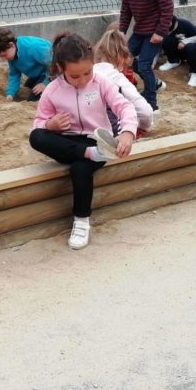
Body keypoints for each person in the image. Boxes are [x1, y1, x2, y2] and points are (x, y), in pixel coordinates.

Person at [30, 32, 137, 250]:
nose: (83, 80)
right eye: (75, 76)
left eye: (87, 73)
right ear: (61, 69)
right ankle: (90, 155)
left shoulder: (100, 83)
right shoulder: (52, 91)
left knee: (80, 169)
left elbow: (124, 106)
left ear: (93, 64)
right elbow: (38, 123)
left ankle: (81, 221)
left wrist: (127, 132)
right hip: (67, 144)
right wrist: (50, 125)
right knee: (36, 136)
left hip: (96, 141)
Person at [116, 0, 174, 111]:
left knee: (144, 65)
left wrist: (160, 32)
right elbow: (126, 8)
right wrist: (121, 31)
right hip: (139, 31)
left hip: (154, 33)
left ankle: (152, 103)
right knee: (125, 59)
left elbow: (167, 7)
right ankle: (154, 83)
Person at [93, 28, 154, 135]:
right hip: (109, 131)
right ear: (122, 57)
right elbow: (145, 112)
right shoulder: (117, 78)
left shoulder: (86, 73)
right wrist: (143, 126)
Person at [0, 27, 51, 101]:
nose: (3, 59)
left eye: (4, 55)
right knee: (27, 88)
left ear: (11, 45)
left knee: (34, 98)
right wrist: (10, 94)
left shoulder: (34, 47)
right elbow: (14, 75)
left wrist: (46, 83)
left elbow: (56, 64)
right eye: (0, 56)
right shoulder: (12, 54)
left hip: (53, 72)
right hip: (37, 74)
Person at [158, 16, 196, 87]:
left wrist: (184, 42)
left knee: (190, 47)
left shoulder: (184, 23)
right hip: (176, 49)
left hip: (189, 49)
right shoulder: (161, 27)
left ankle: (195, 72)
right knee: (166, 39)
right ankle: (173, 61)